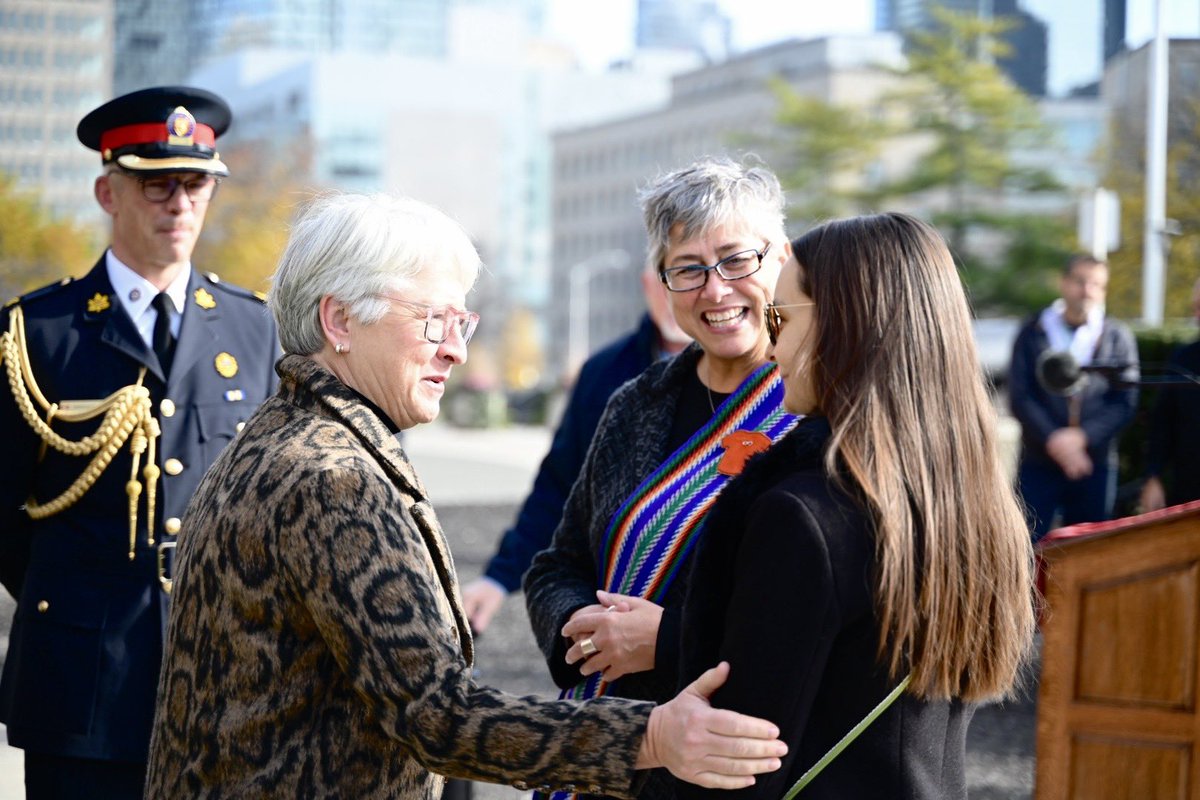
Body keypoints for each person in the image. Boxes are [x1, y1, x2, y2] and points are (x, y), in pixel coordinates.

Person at [144, 192, 788, 797]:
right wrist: (650, 736)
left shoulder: (281, 436)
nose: (455, 350)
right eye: (432, 321)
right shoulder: (333, 480)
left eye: (462, 321)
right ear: (339, 320)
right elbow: (439, 715)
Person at [675, 212, 1037, 800]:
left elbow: (741, 763)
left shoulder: (804, 517)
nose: (771, 346)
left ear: (845, 323)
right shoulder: (970, 505)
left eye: (779, 316)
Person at [0, 86, 280, 797]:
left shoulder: (254, 331)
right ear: (107, 191)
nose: (179, 204)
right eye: (157, 184)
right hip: (83, 684)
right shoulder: (38, 335)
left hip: (226, 683)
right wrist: (77, 599)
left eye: (195, 185)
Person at [524, 156, 798, 800]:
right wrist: (589, 633)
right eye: (688, 269)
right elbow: (556, 565)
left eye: (737, 261)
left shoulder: (820, 413)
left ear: (782, 258)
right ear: (663, 283)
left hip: (725, 763)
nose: (715, 289)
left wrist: (668, 639)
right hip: (601, 748)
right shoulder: (635, 403)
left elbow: (817, 612)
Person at [460, 266, 690, 634]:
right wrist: (499, 577)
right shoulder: (604, 372)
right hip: (612, 602)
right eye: (668, 278)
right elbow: (559, 485)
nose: (676, 295)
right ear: (648, 285)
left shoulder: (761, 376)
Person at [1009, 254, 1139, 541]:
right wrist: (1056, 440)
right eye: (1080, 281)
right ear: (1064, 282)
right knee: (1025, 545)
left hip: (1094, 462)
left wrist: (1081, 439)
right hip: (1039, 460)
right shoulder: (1033, 331)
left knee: (1089, 550)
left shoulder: (1117, 336)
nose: (1087, 291)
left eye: (1097, 284)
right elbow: (1021, 395)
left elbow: (1124, 402)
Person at [1141, 276, 1200, 511]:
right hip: (1187, 497)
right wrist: (1153, 476)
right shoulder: (1183, 359)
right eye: (1196, 307)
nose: (1198, 316)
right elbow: (1163, 422)